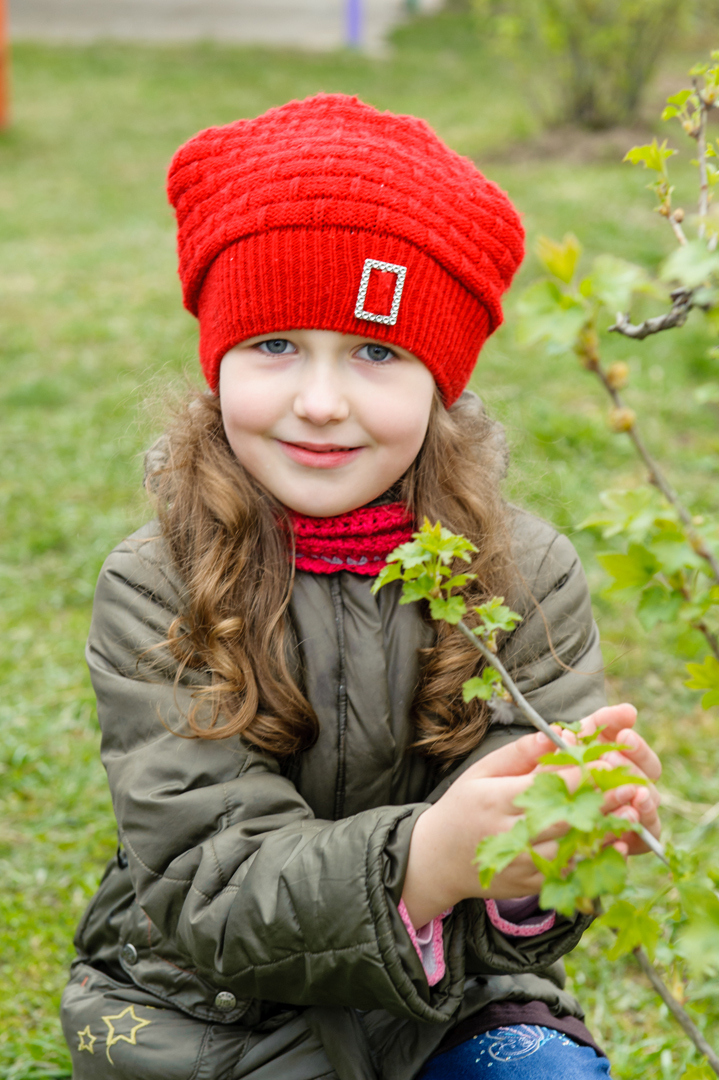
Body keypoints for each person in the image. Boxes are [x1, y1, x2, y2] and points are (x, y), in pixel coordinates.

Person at [60, 94, 661, 1080]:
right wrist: (427, 859)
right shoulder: (157, 581)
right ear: (219, 361)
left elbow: (533, 883)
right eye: (275, 345)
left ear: (442, 380)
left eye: (376, 353)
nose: (321, 402)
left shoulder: (522, 574)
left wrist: (542, 855)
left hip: (447, 1002)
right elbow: (207, 878)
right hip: (205, 1015)